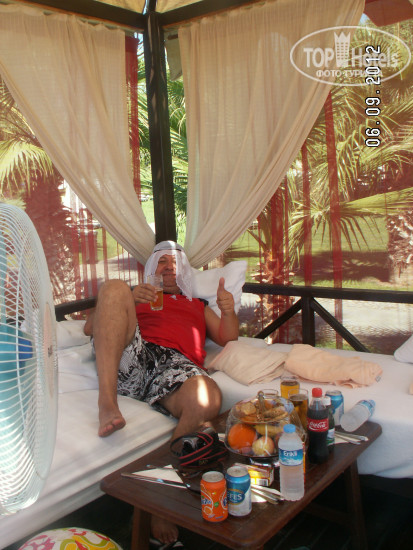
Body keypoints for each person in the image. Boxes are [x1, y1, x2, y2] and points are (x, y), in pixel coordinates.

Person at [84, 240, 239, 546]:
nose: (169, 267)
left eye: (175, 262)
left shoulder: (197, 304)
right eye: (162, 261)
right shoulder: (137, 296)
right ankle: (107, 402)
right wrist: (130, 297)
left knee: (208, 395)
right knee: (113, 287)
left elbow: (228, 336)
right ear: (153, 269)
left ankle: (162, 494)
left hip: (175, 367)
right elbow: (90, 328)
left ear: (184, 272)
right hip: (135, 354)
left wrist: (228, 310)